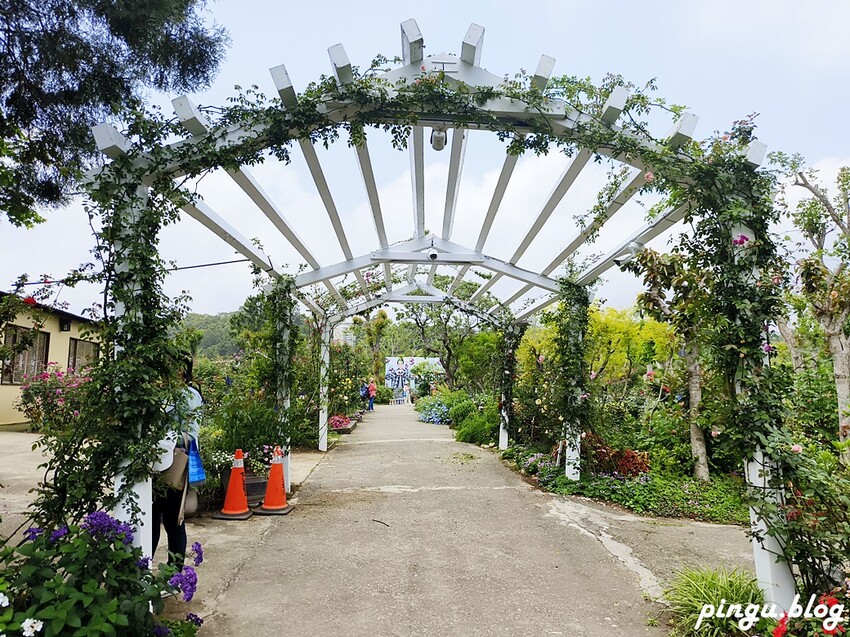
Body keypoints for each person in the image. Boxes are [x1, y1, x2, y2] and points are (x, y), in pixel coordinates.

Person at [152, 357, 202, 567]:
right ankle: (144, 568)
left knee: (173, 520)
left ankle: (174, 574)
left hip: (175, 464)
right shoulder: (161, 393)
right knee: (152, 518)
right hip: (156, 461)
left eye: (176, 367)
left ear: (183, 371)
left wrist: (164, 438)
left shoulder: (189, 395)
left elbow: (190, 434)